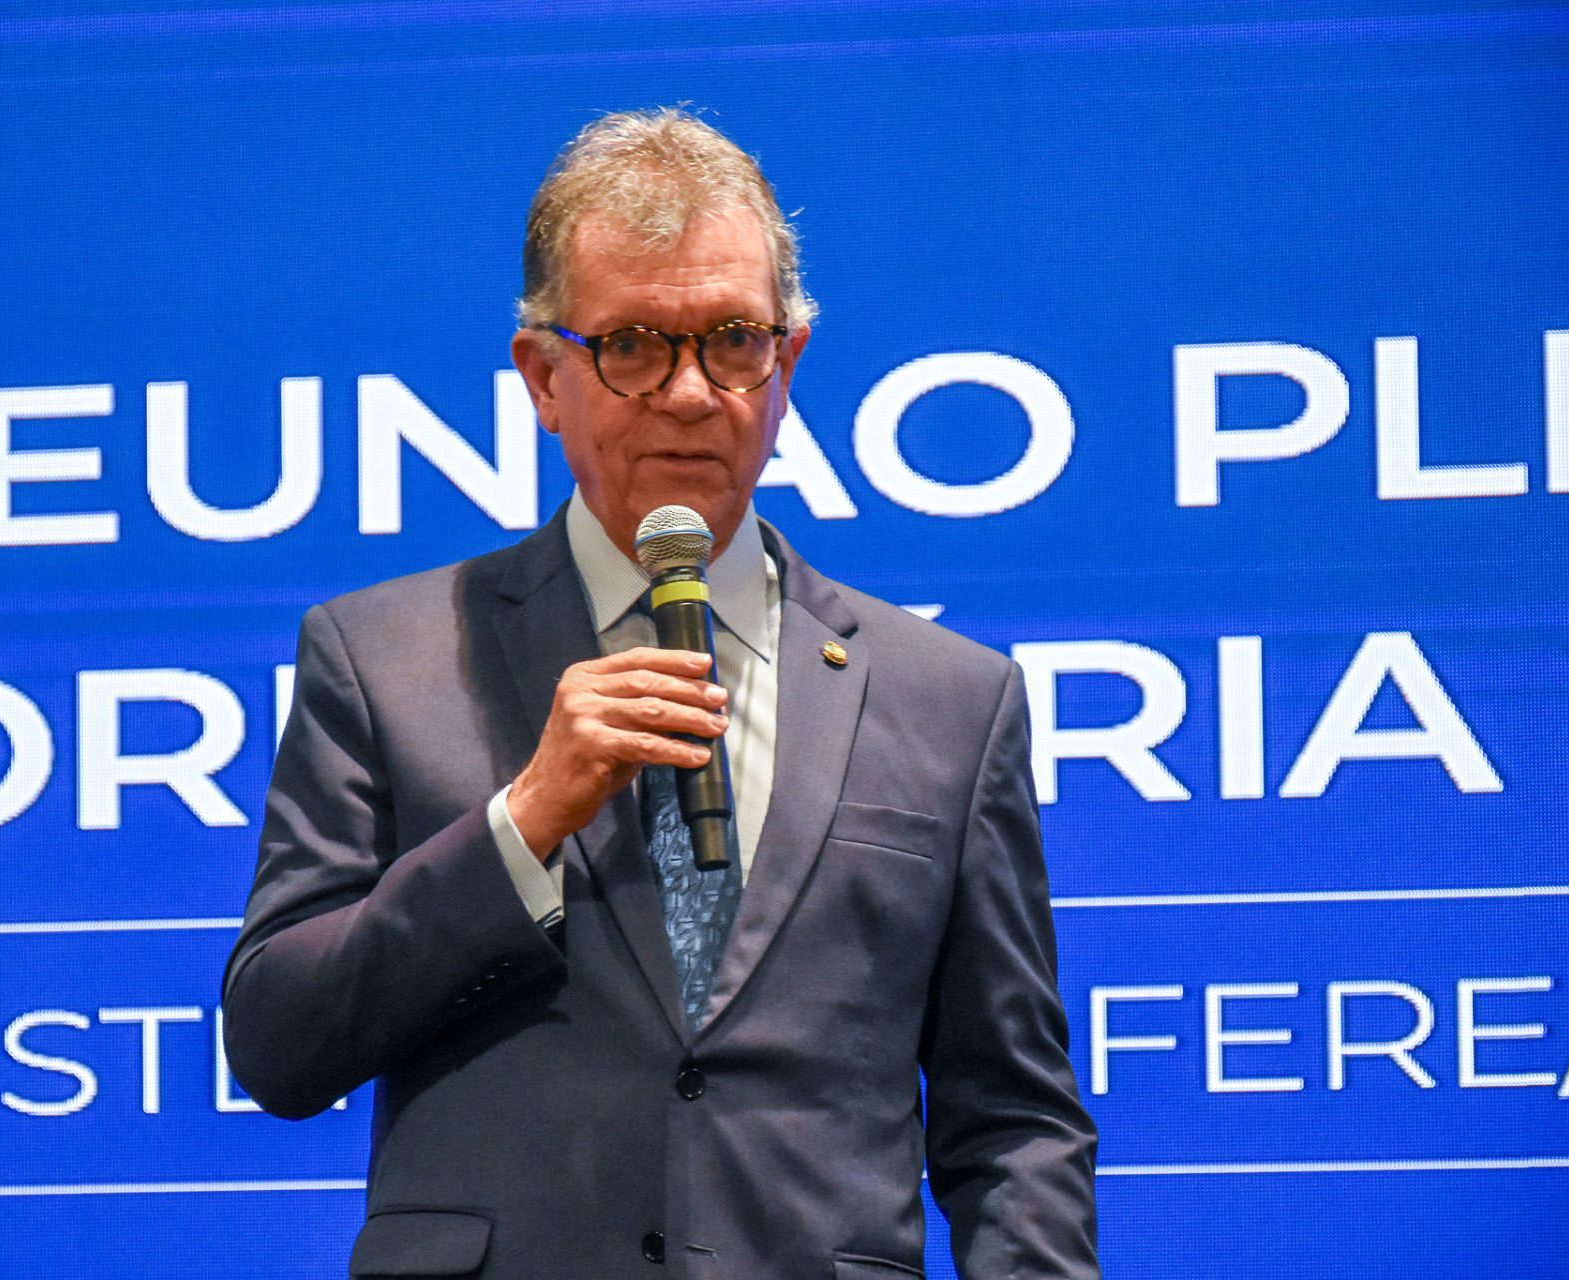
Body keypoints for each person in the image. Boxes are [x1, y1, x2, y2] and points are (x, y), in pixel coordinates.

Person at [223, 108, 1098, 1280]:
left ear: (787, 365)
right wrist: (525, 818)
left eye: (733, 340)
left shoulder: (951, 700)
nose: (690, 392)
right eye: (633, 345)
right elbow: (278, 1039)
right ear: (544, 376)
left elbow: (1015, 1124)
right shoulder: (383, 659)